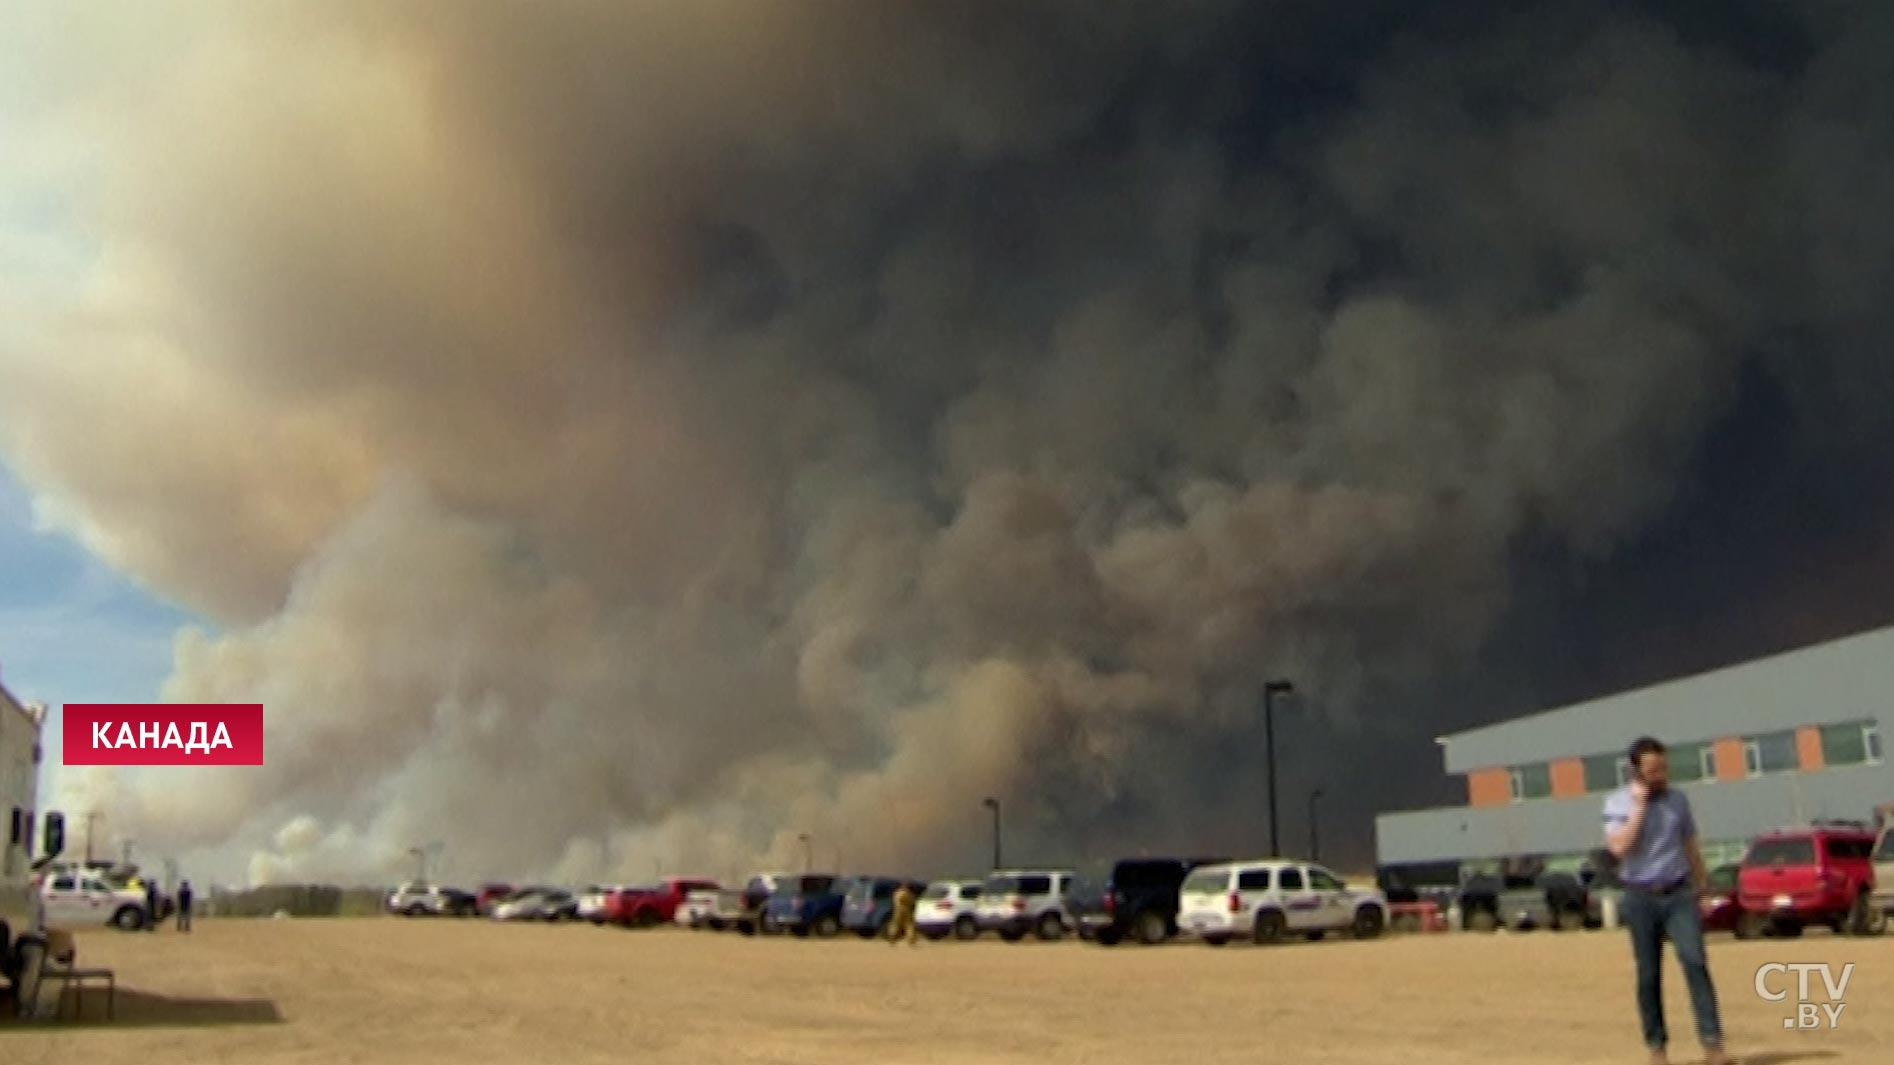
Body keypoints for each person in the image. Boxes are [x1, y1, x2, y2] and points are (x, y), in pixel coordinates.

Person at [1602, 736, 1731, 1065]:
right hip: (1639, 896)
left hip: (1678, 893)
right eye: (1652, 769)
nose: (1660, 775)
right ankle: (1657, 1049)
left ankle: (1713, 1045)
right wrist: (1640, 808)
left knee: (1695, 962)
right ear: (1635, 770)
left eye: (1663, 768)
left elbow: (1689, 844)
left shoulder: (1679, 801)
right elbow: (1618, 848)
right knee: (1649, 974)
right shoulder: (1617, 803)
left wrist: (1703, 887)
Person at [888, 881, 918, 946]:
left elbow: (895, 902)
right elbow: (913, 903)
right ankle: (911, 939)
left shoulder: (897, 893)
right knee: (909, 925)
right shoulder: (910, 894)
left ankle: (892, 937)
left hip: (898, 911)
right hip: (907, 911)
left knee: (896, 924)